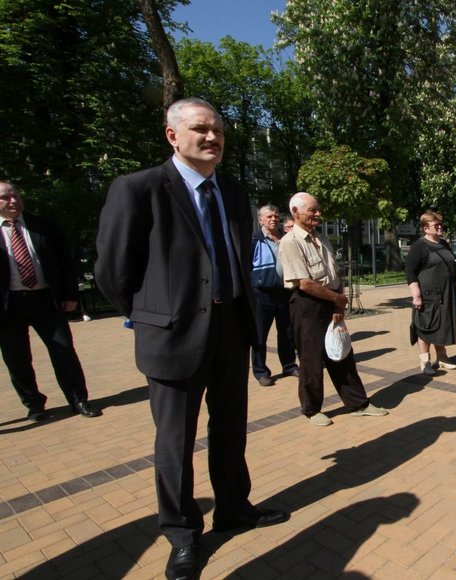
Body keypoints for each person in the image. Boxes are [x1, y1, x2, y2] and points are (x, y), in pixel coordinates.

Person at [95, 98, 288, 580]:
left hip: (230, 329)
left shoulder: (234, 192)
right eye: (200, 129)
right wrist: (153, 315)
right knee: (175, 443)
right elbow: (112, 271)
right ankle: (182, 533)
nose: (212, 138)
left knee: (230, 430)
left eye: (218, 131)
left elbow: (237, 261)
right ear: (172, 136)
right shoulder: (139, 189)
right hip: (173, 337)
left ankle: (234, 508)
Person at [279, 192, 387, 426]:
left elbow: (334, 274)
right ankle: (311, 409)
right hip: (307, 305)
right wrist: (337, 299)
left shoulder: (322, 239)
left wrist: (338, 303)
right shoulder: (290, 242)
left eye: (318, 209)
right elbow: (305, 283)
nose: (318, 214)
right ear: (296, 213)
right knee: (310, 359)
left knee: (342, 353)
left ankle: (358, 403)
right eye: (313, 210)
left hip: (331, 300)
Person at [0, 181, 101, 422]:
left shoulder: (43, 226)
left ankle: (78, 399)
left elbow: (65, 262)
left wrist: (70, 295)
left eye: (15, 195)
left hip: (46, 300)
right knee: (17, 358)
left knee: (63, 350)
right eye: (5, 197)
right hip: (8, 306)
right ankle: (34, 404)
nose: (13, 201)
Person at [406, 210, 456, 375]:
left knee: (442, 326)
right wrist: (416, 295)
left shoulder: (443, 244)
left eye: (440, 224)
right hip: (428, 296)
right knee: (426, 328)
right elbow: (410, 271)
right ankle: (425, 363)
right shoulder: (419, 246)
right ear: (425, 228)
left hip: (445, 294)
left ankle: (442, 358)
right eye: (435, 225)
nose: (439, 227)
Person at [250, 205, 299, 387]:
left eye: (276, 216)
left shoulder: (286, 238)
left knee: (287, 333)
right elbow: (246, 266)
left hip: (284, 292)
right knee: (260, 335)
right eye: (269, 216)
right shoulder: (255, 240)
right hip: (262, 294)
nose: (273, 219)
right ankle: (261, 371)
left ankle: (289, 365)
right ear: (261, 219)